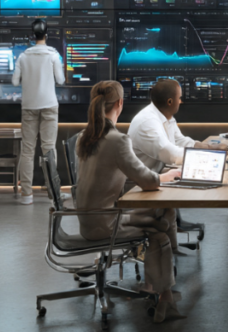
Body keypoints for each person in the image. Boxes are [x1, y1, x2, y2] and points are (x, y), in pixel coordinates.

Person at [75, 81, 184, 323]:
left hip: (86, 220)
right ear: (120, 104)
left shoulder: (84, 137)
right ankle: (162, 295)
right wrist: (166, 176)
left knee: (161, 218)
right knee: (160, 229)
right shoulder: (117, 140)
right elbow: (147, 180)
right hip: (105, 223)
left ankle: (158, 290)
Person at [12, 19, 64, 205]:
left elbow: (15, 82)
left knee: (27, 150)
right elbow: (61, 80)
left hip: (28, 106)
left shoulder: (23, 57)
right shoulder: (53, 55)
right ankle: (52, 193)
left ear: (32, 36)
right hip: (49, 105)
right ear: (46, 35)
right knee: (49, 149)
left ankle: (26, 195)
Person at [128, 79, 225, 173]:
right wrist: (211, 156)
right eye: (179, 98)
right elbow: (171, 154)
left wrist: (208, 147)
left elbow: (180, 141)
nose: (180, 102)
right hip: (139, 185)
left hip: (156, 175)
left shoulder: (166, 116)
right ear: (170, 102)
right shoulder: (147, 122)